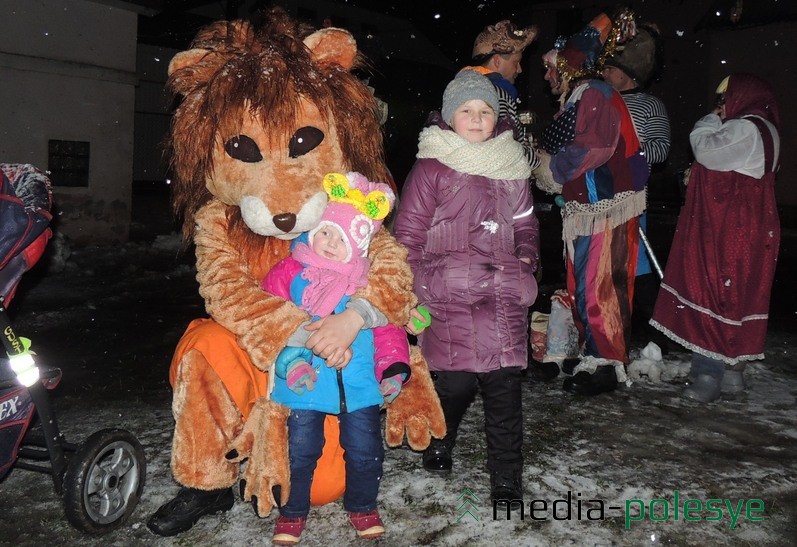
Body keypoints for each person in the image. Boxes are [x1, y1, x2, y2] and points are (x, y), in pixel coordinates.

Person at [393, 70, 538, 501]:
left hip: (503, 296)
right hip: (448, 295)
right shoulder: (431, 167)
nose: (477, 119)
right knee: (454, 387)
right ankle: (441, 437)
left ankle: (506, 477)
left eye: (486, 111)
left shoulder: (512, 166)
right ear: (449, 117)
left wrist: (527, 259)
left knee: (504, 391)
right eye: (467, 111)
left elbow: (527, 225)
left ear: (497, 118)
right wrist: (409, 290)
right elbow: (409, 234)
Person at [261, 172, 408, 544]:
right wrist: (290, 363)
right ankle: (292, 511)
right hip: (304, 384)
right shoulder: (291, 273)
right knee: (301, 451)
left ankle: (362, 506)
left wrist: (392, 369)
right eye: (325, 231)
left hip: (359, 387)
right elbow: (270, 322)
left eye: (340, 238)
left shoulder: (365, 285)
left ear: (356, 249)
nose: (328, 242)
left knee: (365, 452)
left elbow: (388, 328)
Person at [533, 10, 649, 396]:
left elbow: (595, 146)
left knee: (601, 284)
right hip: (585, 209)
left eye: (551, 68)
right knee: (582, 282)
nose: (547, 75)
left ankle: (607, 361)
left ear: (568, 67)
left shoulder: (595, 93)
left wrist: (553, 171)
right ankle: (590, 352)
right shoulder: (581, 95)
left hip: (605, 207)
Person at [650, 73, 781, 403]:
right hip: (753, 226)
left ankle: (708, 374)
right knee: (739, 296)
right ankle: (732, 375)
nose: (723, 106)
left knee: (715, 291)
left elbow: (707, 150)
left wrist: (708, 119)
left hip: (730, 231)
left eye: (725, 99)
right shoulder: (769, 130)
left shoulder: (747, 127)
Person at [601, 23, 671, 351]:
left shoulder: (650, 105)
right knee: (600, 267)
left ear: (627, 73)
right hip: (596, 196)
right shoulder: (598, 100)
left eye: (610, 68)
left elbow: (660, 148)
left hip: (630, 195)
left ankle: (658, 332)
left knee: (636, 264)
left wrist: (628, 156)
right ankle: (605, 329)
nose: (604, 73)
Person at [465, 19, 539, 168]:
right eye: (515, 62)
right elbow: (505, 150)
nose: (519, 70)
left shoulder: (468, 89)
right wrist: (535, 158)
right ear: (497, 61)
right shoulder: (497, 94)